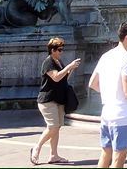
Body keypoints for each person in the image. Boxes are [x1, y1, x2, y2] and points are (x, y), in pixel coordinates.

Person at [88, 21, 127, 168]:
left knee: (105, 153)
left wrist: (109, 92)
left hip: (107, 113)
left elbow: (92, 83)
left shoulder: (106, 56)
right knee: (119, 157)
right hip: (122, 115)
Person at [31, 36, 82, 165]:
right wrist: (69, 66)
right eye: (59, 49)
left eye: (62, 49)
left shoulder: (59, 62)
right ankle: (37, 147)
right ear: (52, 50)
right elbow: (56, 78)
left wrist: (70, 69)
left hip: (58, 99)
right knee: (53, 127)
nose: (61, 52)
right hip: (47, 100)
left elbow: (63, 78)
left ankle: (54, 155)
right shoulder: (48, 62)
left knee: (56, 127)